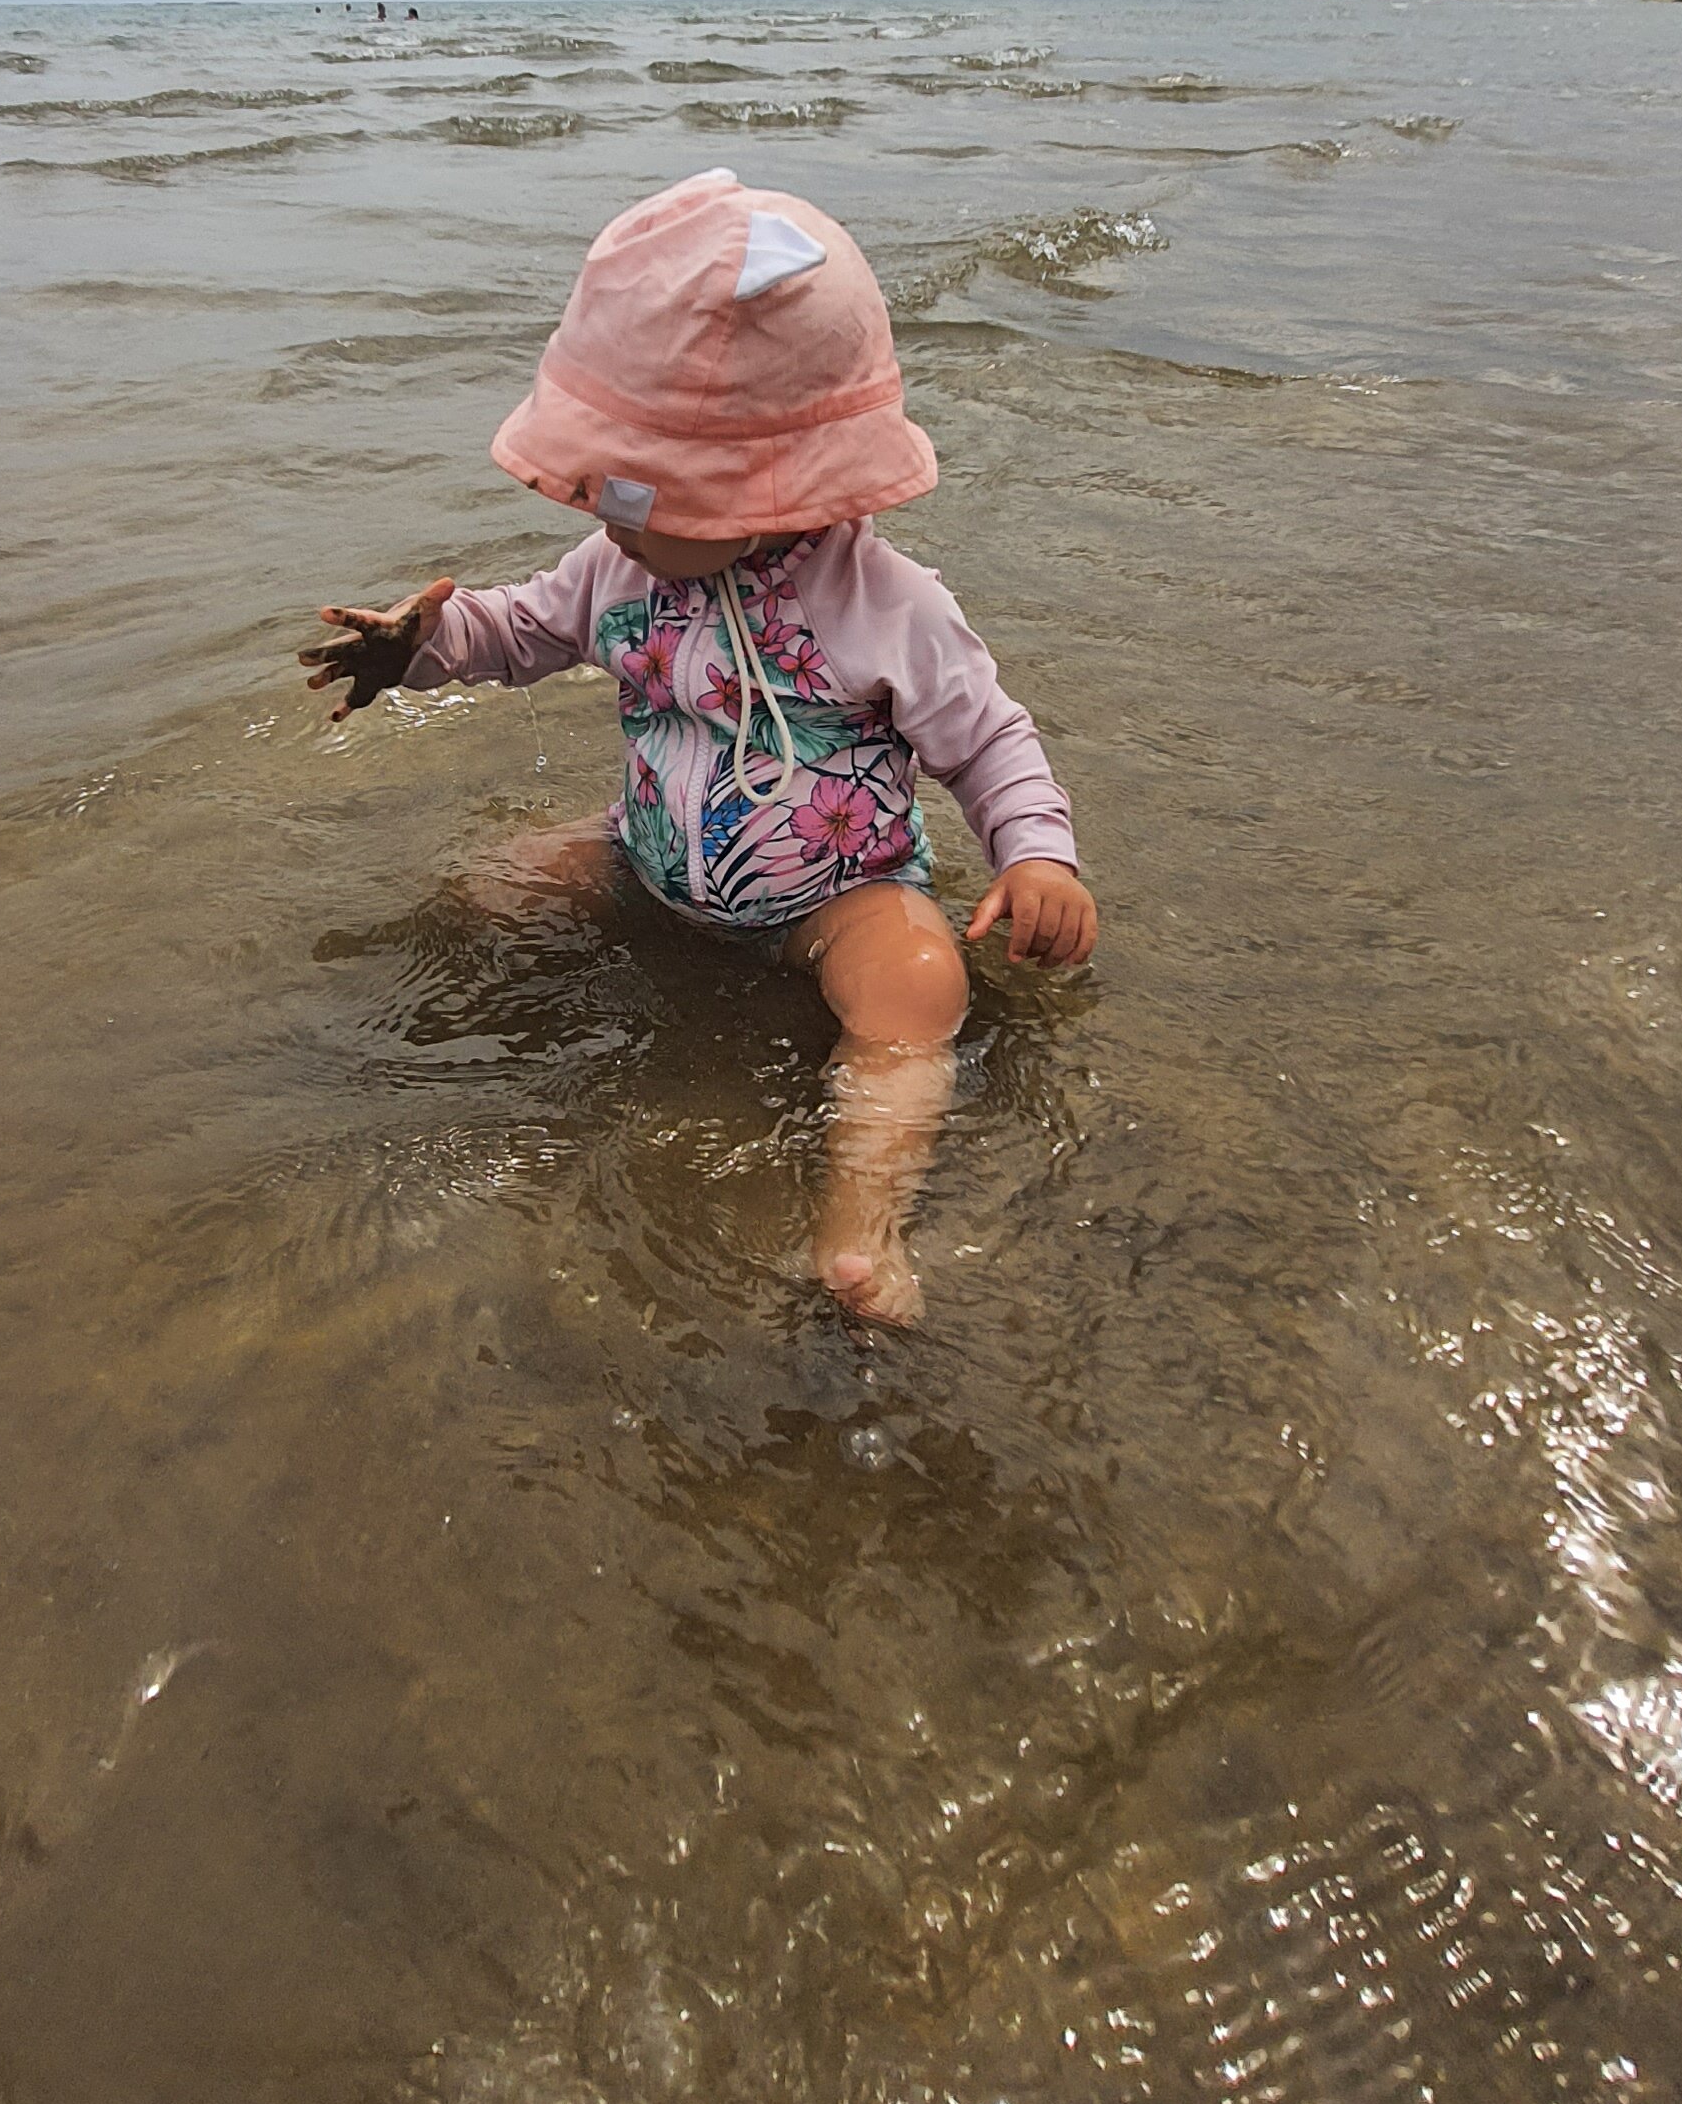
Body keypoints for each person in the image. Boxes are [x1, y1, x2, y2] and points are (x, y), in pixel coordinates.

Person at [300, 170, 1095, 1325]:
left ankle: (863, 1227)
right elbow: (515, 628)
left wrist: (1037, 857)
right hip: (648, 859)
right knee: (493, 886)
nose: (599, 510)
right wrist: (419, 645)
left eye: (630, 484)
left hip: (841, 893)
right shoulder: (618, 567)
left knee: (918, 988)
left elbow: (989, 739)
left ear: (771, 485)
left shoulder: (887, 603)